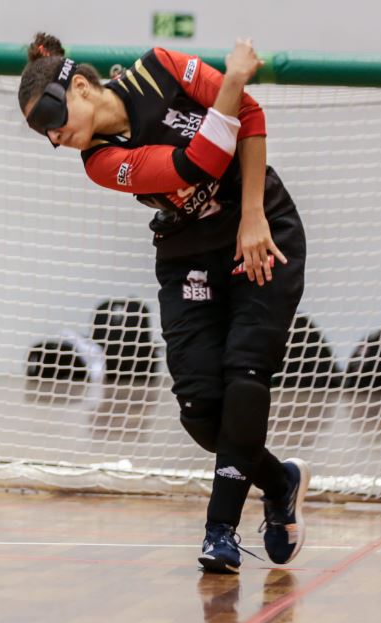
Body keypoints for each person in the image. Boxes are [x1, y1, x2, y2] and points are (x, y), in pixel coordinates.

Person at [18, 33, 311, 573]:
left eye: (54, 117)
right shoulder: (102, 162)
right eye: (44, 134)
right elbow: (195, 163)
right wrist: (235, 77)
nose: (55, 137)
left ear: (80, 86)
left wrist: (252, 216)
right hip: (187, 251)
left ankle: (219, 530)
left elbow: (248, 115)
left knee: (246, 374)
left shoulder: (163, 67)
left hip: (260, 228)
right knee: (201, 412)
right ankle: (279, 480)